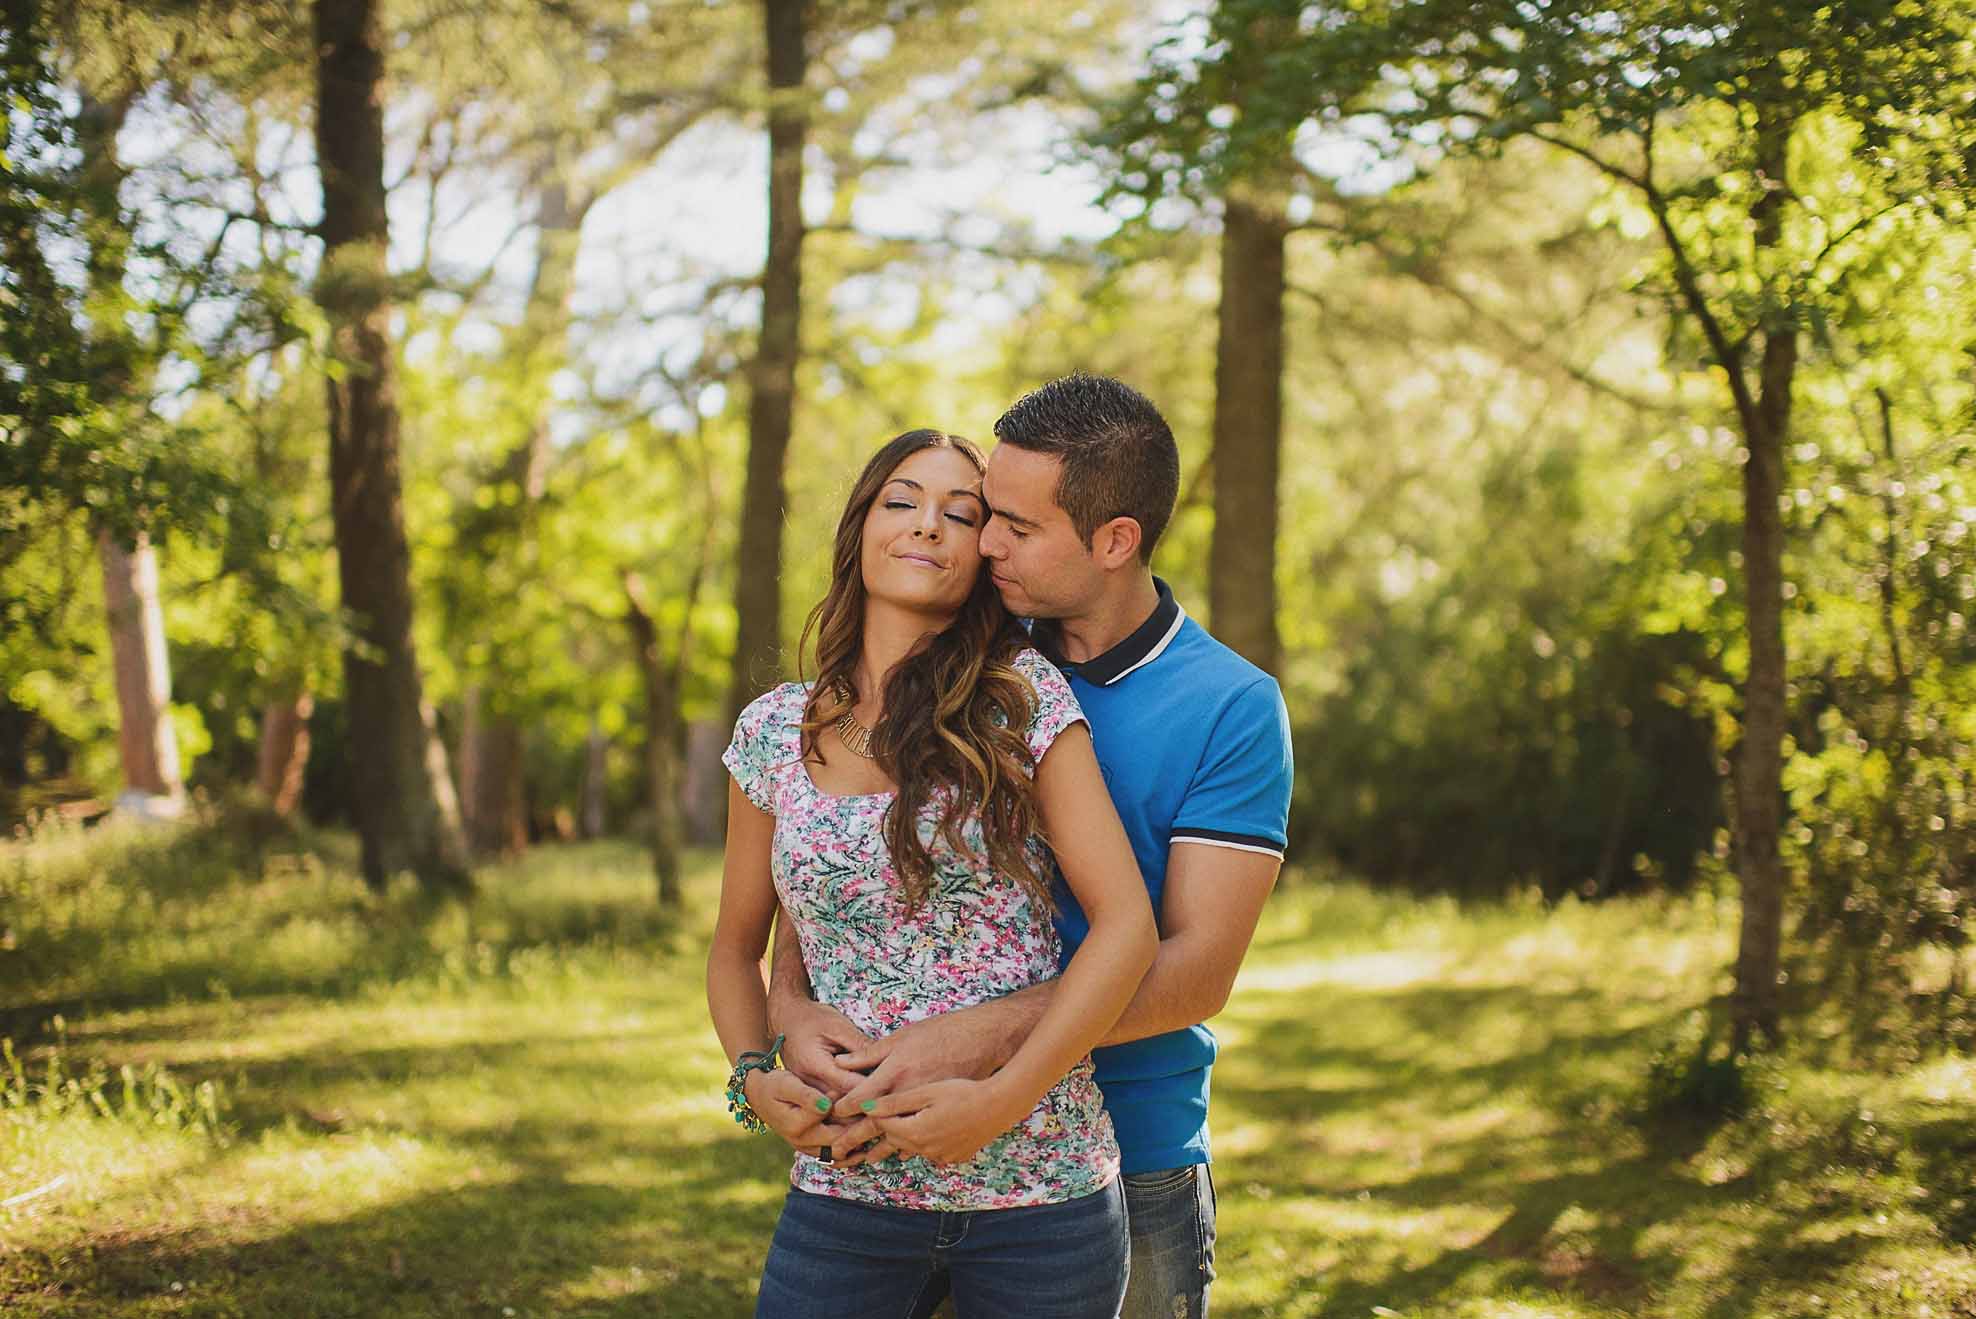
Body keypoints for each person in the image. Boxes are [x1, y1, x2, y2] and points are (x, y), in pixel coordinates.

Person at [772, 376, 1294, 1319]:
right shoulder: (964, 657)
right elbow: (834, 842)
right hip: (892, 1137)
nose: (984, 542)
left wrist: (977, 1051)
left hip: (1128, 1158)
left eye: (1015, 525)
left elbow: (1198, 969)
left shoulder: (1232, 707)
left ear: (1115, 540)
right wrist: (788, 1004)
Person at [706, 427, 1159, 1319]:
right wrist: (755, 1077)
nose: (929, 527)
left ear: (980, 557)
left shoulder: (1019, 701)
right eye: (903, 501)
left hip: (1041, 1191)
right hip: (845, 1193)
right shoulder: (773, 730)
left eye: (963, 514)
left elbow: (1128, 927)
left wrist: (998, 1101)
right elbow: (733, 949)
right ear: (862, 527)